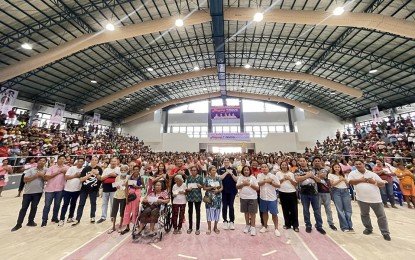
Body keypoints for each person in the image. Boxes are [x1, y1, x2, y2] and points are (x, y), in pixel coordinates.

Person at [348, 159, 391, 241]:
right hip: (361, 198)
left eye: (359, 163)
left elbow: (382, 184)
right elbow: (350, 182)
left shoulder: (372, 174)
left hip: (375, 199)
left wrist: (372, 182)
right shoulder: (352, 173)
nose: (358, 165)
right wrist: (361, 180)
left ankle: (385, 232)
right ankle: (368, 228)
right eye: (356, 164)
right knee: (364, 215)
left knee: (381, 216)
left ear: (363, 164)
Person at [11, 158, 47, 231]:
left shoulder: (46, 170)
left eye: (43, 161)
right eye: (40, 160)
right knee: (24, 208)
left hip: (38, 192)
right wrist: (35, 176)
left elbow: (47, 179)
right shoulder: (31, 170)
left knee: (34, 207)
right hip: (27, 192)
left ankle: (30, 221)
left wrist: (42, 175)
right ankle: (19, 224)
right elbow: (25, 179)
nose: (41, 162)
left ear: (45, 163)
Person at [294, 157, 326, 234]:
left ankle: (319, 226)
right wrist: (308, 176)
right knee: (306, 210)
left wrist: (313, 176)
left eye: (303, 161)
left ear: (306, 162)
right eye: (300, 161)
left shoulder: (313, 169)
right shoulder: (297, 170)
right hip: (304, 192)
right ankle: (308, 225)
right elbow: (297, 179)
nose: (302, 162)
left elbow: (319, 180)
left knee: (317, 210)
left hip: (314, 192)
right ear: (299, 162)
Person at [72, 156, 102, 226]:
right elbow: (81, 179)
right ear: (90, 161)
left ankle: (92, 217)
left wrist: (97, 174)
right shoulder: (85, 169)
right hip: (84, 189)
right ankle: (78, 218)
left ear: (97, 162)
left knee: (93, 203)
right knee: (81, 204)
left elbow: (100, 179)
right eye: (93, 160)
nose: (94, 161)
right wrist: (90, 174)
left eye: (96, 160)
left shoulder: (99, 169)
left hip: (94, 189)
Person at [42, 155, 68, 227]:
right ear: (58, 160)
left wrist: (65, 172)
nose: (62, 160)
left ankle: (54, 218)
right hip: (50, 189)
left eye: (63, 159)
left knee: (57, 205)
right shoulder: (51, 168)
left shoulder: (67, 168)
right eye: (61, 159)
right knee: (47, 205)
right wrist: (57, 172)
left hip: (60, 189)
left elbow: (68, 178)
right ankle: (44, 220)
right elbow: (46, 177)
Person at [312, 157, 337, 231]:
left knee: (328, 209)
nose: (317, 162)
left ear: (321, 162)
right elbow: (313, 178)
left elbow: (325, 177)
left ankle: (331, 223)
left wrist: (317, 176)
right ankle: (318, 223)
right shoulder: (311, 170)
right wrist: (318, 176)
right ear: (313, 162)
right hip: (316, 192)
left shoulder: (326, 170)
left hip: (326, 191)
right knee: (317, 209)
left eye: (318, 161)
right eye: (315, 161)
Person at [328, 163, 354, 233]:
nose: (337, 168)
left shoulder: (343, 175)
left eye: (338, 167)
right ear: (333, 168)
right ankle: (344, 227)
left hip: (345, 191)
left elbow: (348, 185)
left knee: (348, 210)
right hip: (336, 192)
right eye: (335, 167)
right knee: (340, 210)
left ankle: (350, 226)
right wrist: (340, 180)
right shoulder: (330, 175)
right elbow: (332, 184)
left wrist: (344, 180)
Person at [58, 157, 84, 225]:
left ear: (83, 163)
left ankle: (70, 217)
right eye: (79, 161)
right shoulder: (71, 168)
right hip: (67, 190)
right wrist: (75, 176)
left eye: (82, 161)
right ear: (77, 162)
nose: (80, 162)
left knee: (73, 204)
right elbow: (66, 177)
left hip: (77, 190)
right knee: (65, 204)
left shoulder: (84, 169)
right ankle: (61, 219)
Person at [257, 163, 281, 236]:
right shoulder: (259, 176)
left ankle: (276, 228)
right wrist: (265, 181)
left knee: (274, 213)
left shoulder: (273, 176)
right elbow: (258, 184)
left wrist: (271, 182)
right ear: (261, 169)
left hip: (272, 198)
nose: (264, 168)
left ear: (268, 168)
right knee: (264, 212)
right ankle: (265, 226)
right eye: (262, 167)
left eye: (265, 167)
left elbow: (278, 185)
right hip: (263, 197)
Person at [236, 165, 259, 236]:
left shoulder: (253, 178)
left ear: (250, 171)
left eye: (247, 170)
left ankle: (253, 227)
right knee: (246, 212)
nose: (246, 171)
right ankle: (247, 225)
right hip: (243, 197)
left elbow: (257, 188)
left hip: (252, 197)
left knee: (252, 213)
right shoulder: (240, 178)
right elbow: (237, 186)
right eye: (245, 170)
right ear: (243, 171)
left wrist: (249, 184)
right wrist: (243, 184)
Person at [120, 165, 143, 234]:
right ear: (133, 170)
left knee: (135, 210)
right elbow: (126, 187)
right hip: (131, 193)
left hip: (137, 193)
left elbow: (143, 186)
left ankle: (135, 225)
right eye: (134, 169)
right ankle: (127, 227)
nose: (136, 170)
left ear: (139, 170)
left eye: (137, 169)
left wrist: (138, 186)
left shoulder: (140, 177)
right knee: (127, 211)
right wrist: (126, 197)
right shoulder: (130, 177)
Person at [277, 161, 299, 232]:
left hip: (291, 192)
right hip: (282, 192)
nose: (284, 166)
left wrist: (289, 179)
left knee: (294, 209)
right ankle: (287, 224)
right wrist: (283, 179)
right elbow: (277, 183)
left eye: (285, 165)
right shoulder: (278, 173)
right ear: (280, 166)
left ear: (287, 166)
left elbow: (295, 184)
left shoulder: (291, 174)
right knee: (285, 209)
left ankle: (295, 225)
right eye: (282, 165)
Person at [97, 157, 120, 224]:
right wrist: (109, 175)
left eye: (114, 161)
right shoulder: (106, 170)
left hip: (114, 189)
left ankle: (112, 216)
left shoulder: (119, 169)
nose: (113, 162)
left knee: (113, 203)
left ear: (117, 162)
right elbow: (101, 179)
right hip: (106, 188)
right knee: (104, 203)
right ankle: (103, 217)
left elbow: (121, 179)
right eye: (112, 161)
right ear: (110, 162)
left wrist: (115, 175)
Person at [218, 157, 238, 230]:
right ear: (223, 162)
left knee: (231, 206)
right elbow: (220, 178)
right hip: (223, 191)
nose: (226, 161)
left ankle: (232, 221)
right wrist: (226, 172)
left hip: (232, 191)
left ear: (229, 162)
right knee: (224, 206)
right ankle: (225, 221)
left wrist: (231, 173)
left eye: (227, 160)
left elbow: (236, 180)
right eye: (225, 160)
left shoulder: (233, 170)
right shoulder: (220, 170)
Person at [109, 165, 129, 234]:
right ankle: (113, 226)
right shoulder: (117, 177)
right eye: (121, 170)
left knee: (122, 213)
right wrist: (117, 186)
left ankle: (120, 226)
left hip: (124, 197)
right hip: (116, 196)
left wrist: (126, 187)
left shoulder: (128, 177)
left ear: (127, 171)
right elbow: (115, 186)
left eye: (124, 170)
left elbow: (129, 187)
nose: (123, 171)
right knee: (114, 212)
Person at [204, 165, 223, 235]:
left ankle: (215, 227)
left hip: (217, 198)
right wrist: (210, 188)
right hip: (209, 198)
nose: (214, 171)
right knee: (209, 213)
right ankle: (209, 228)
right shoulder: (207, 178)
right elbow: (204, 188)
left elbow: (222, 187)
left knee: (217, 213)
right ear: (209, 171)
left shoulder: (218, 178)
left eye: (215, 170)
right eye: (212, 170)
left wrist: (218, 190)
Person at [185, 166, 203, 235]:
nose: (193, 171)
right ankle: (190, 227)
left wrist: (200, 186)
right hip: (190, 197)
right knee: (190, 212)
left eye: (195, 170)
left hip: (198, 197)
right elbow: (186, 186)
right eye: (192, 170)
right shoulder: (189, 177)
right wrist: (187, 189)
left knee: (198, 212)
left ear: (197, 171)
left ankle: (197, 228)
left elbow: (203, 186)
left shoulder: (200, 177)